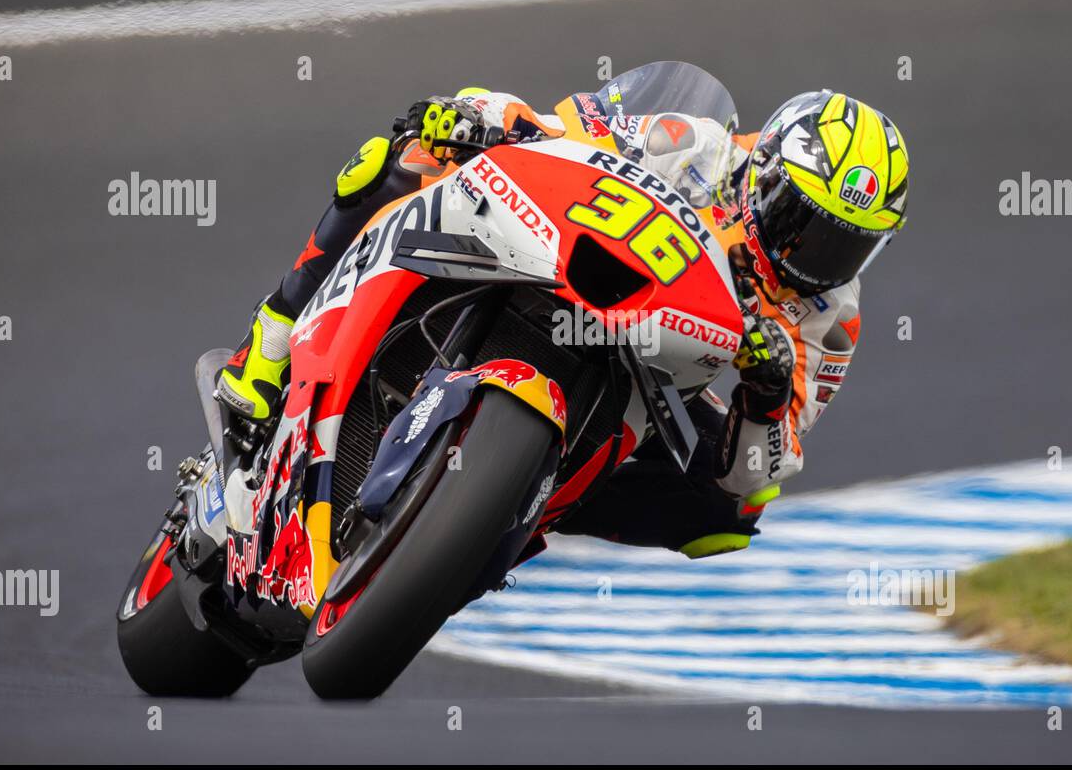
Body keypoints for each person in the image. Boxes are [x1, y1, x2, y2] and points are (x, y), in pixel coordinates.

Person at [216, 83, 909, 560]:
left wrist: (764, 390)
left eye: (844, 246)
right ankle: (271, 341)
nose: (807, 258)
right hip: (559, 264)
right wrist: (483, 119)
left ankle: (510, 510)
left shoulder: (829, 320)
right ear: (764, 172)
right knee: (404, 157)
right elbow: (561, 130)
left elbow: (763, 464)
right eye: (801, 223)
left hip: (655, 366)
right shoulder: (692, 144)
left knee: (735, 513)